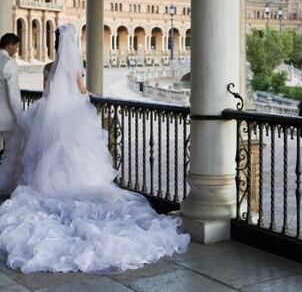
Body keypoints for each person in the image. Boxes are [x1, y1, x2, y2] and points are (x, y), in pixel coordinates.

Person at [0, 24, 189, 274]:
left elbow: (47, 94)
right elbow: (81, 90)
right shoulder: (74, 67)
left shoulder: (53, 67)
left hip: (53, 117)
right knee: (78, 156)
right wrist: (89, 94)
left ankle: (56, 188)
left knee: (52, 156)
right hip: (72, 119)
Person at [0, 34, 22, 162]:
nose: (16, 50)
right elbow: (13, 95)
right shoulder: (9, 64)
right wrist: (21, 117)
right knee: (9, 156)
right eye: (16, 46)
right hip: (7, 119)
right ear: (9, 46)